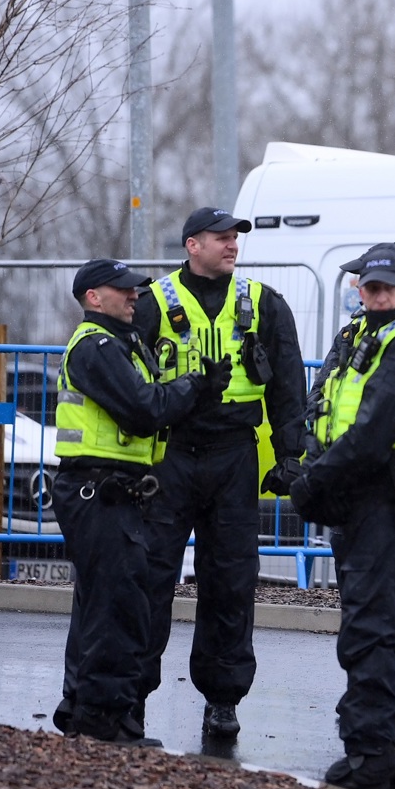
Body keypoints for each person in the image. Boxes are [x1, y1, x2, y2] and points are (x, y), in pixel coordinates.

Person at [133, 207, 308, 739]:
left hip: (234, 454)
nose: (232, 245)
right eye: (221, 237)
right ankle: (132, 693)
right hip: (171, 453)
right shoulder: (154, 302)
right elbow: (130, 379)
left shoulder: (263, 303)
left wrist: (290, 453)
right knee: (150, 576)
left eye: (235, 238)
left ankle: (223, 698)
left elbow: (287, 384)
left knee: (231, 580)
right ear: (192, 245)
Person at [289, 244, 395, 789]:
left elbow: (374, 428)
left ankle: (372, 752)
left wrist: (315, 482)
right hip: (363, 501)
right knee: (394, 632)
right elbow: (326, 412)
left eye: (387, 285)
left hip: (386, 499)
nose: (377, 293)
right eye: (369, 286)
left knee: (371, 634)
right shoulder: (362, 335)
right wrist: (308, 466)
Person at [52, 259, 227, 746]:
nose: (134, 297)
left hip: (114, 489)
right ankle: (104, 724)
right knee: (118, 606)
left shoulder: (121, 345)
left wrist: (194, 390)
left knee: (104, 604)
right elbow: (145, 409)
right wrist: (195, 386)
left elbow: (151, 404)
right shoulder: (97, 347)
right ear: (93, 297)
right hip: (99, 489)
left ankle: (86, 712)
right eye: (123, 290)